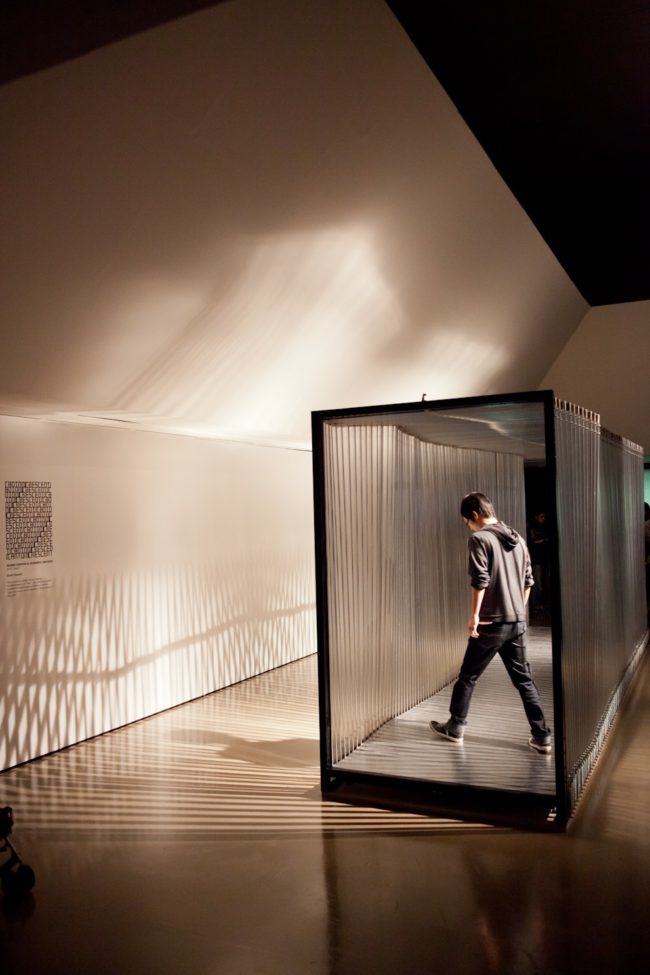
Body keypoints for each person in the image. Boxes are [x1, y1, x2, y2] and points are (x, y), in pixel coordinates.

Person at [430, 492, 552, 754]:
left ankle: (455, 726)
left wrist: (475, 616)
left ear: (474, 515)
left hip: (491, 623)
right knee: (524, 681)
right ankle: (542, 736)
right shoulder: (518, 538)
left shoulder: (479, 539)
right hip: (516, 621)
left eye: (467, 522)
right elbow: (528, 581)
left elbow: (480, 580)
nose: (468, 527)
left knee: (468, 676)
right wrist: (517, 609)